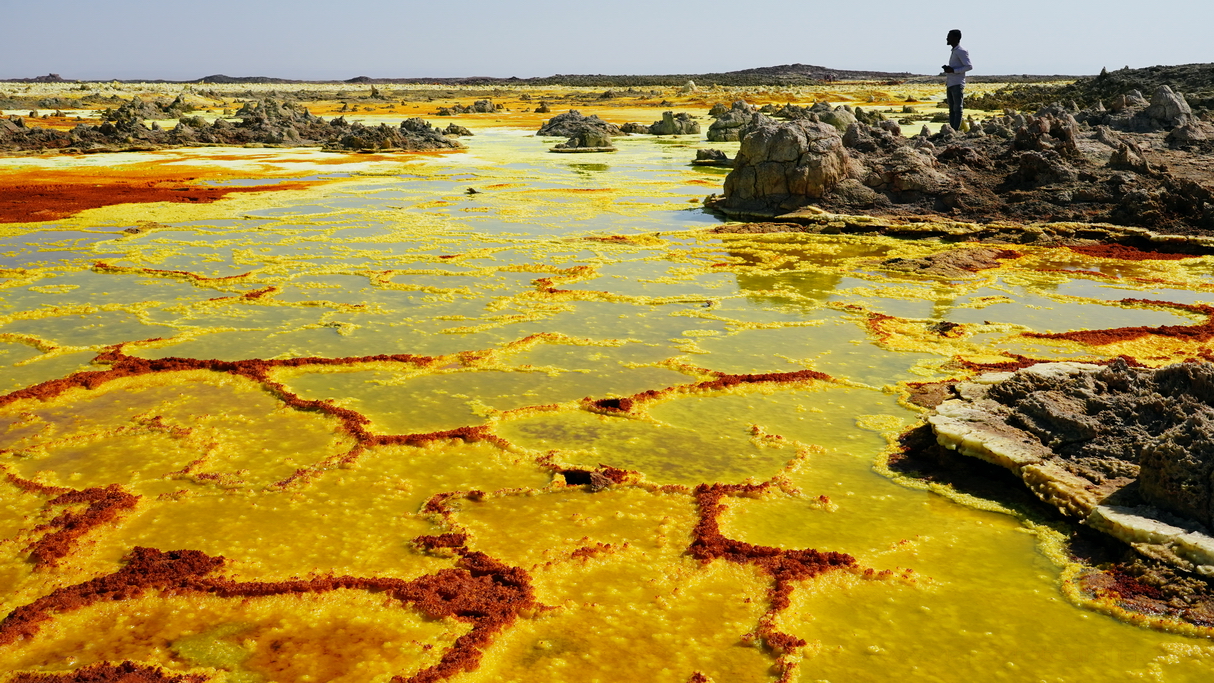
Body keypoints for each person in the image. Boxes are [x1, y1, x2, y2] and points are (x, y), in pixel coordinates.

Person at [941, 29, 972, 130]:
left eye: (949, 36)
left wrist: (954, 71)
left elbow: (969, 66)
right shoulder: (954, 51)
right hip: (951, 83)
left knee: (957, 108)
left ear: (956, 38)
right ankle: (951, 129)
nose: (947, 38)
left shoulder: (961, 51)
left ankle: (955, 130)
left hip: (957, 83)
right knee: (952, 108)